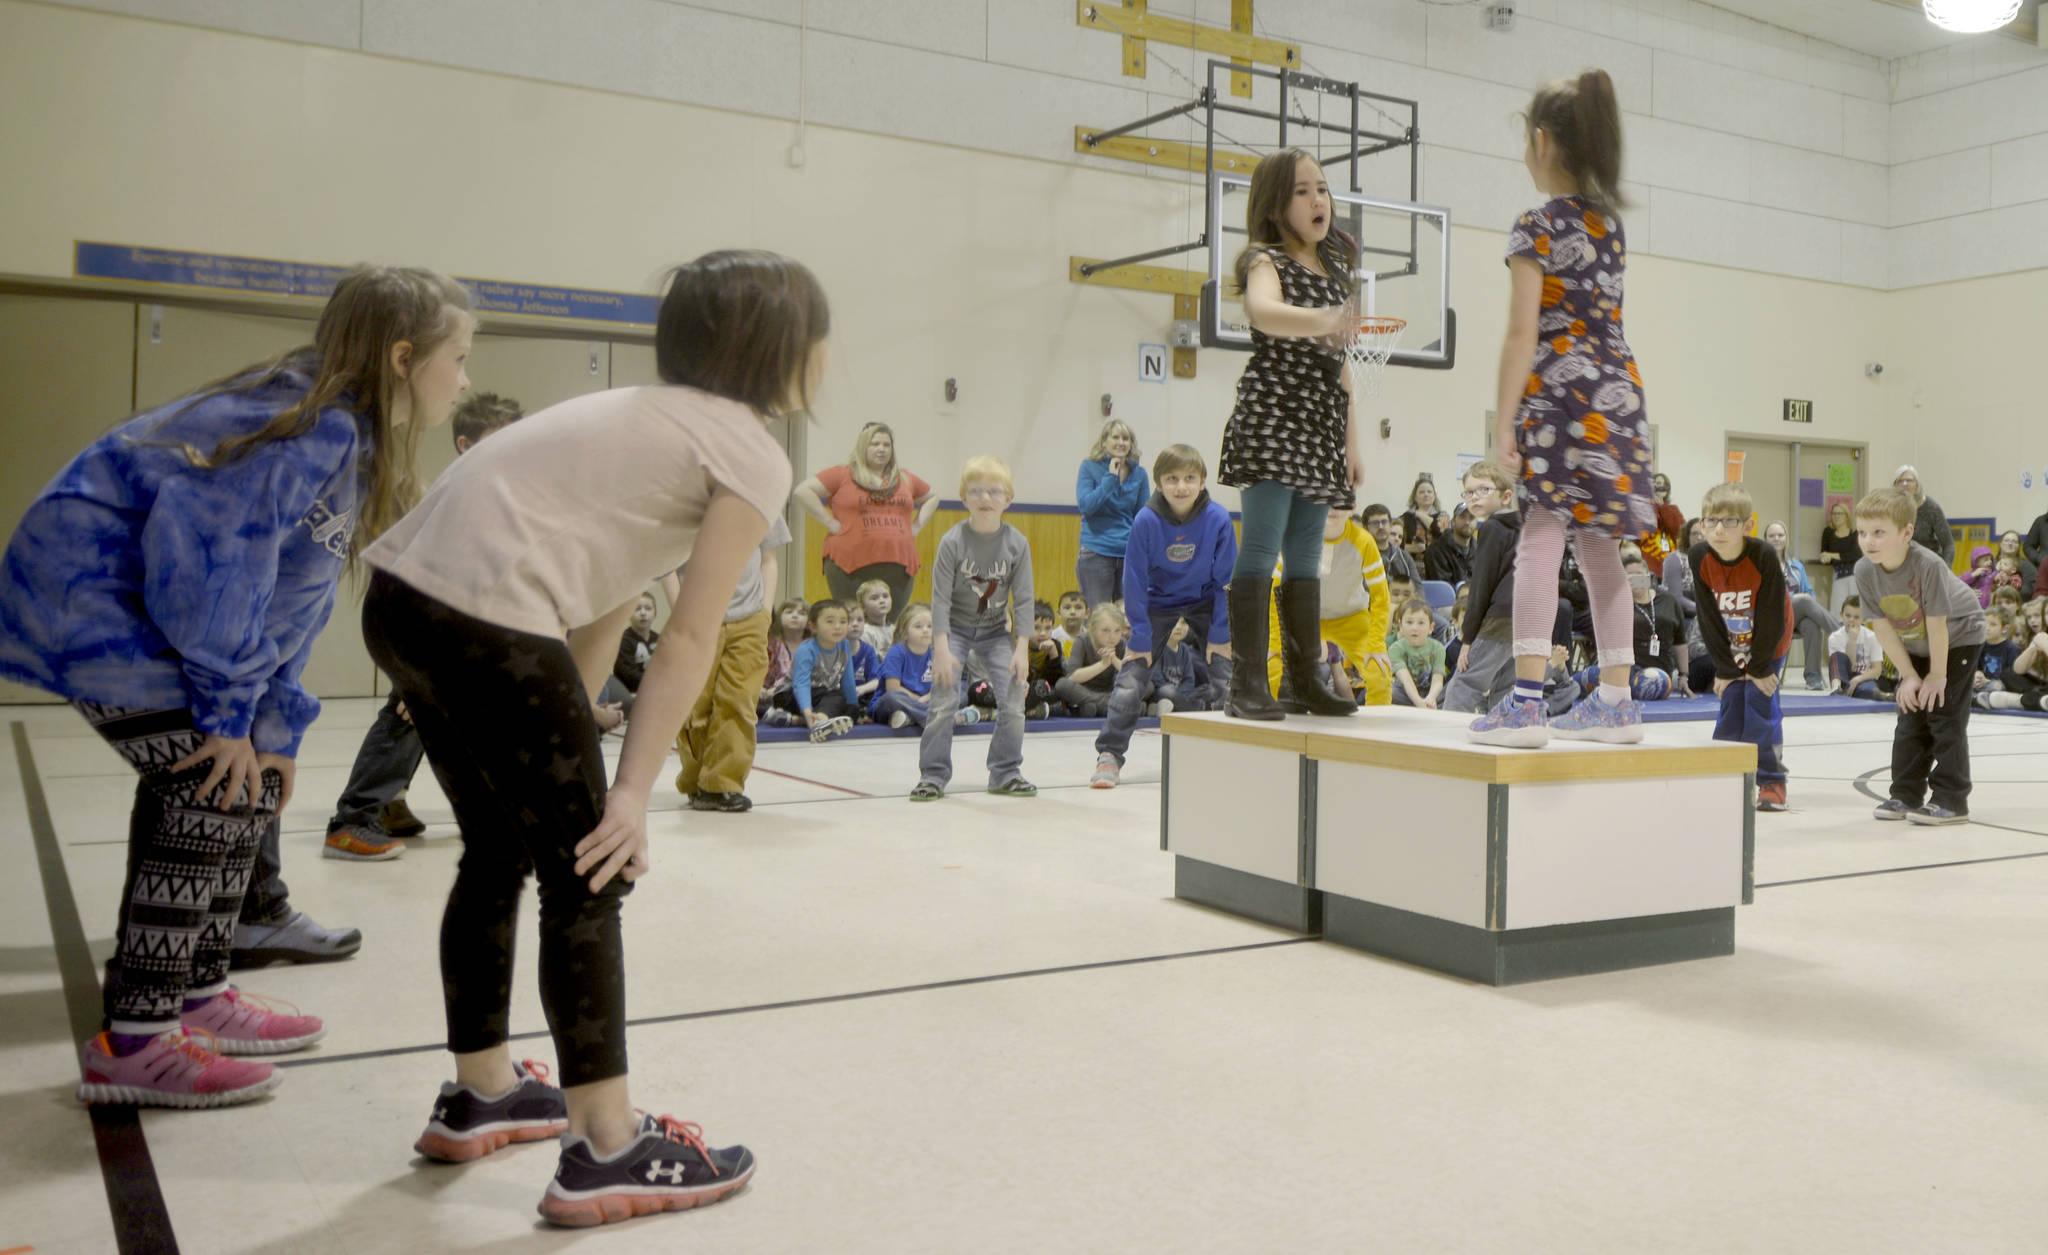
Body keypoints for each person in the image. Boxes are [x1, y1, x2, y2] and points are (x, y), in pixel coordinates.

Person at [361, 250, 816, 1225]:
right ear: (779, 349)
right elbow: (695, 630)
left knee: (495, 847)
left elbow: (603, 595)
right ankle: (607, 1143)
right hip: (480, 617)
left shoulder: (648, 418)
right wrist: (628, 795)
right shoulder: (749, 448)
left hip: (404, 604)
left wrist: (499, 701)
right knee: (589, 870)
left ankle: (481, 1088)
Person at [0, 266, 473, 1107]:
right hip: (90, 600)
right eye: (460, 357)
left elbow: (293, 594)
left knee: (238, 784)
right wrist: (225, 713)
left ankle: (199, 992)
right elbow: (214, 567)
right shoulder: (310, 424)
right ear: (404, 357)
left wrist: (273, 726)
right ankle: (136, 1041)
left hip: (140, 608)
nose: (465, 379)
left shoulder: (348, 437)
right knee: (208, 787)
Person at [1467, 70, 1654, 750]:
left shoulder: (1535, 226)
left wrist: (1502, 423)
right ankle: (1616, 699)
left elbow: (1523, 333)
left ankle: (1524, 703)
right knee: (1601, 546)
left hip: (1560, 390)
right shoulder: (1611, 226)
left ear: (1542, 143)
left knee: (1541, 537)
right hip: (1617, 391)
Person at [317, 391, 526, 869]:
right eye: (500, 441)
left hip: (447, 624)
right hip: (414, 619)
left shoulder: (498, 495)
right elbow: (423, 583)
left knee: (443, 711)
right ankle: (353, 818)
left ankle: (389, 804)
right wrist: (423, 666)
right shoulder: (460, 494)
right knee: (410, 709)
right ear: (464, 444)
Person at [1216, 147, 1366, 720]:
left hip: (1321, 425)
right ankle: (1245, 685)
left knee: (1307, 555)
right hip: (1272, 418)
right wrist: (1327, 320)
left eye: (1322, 189)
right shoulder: (1264, 259)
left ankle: (1303, 680)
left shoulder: (1338, 270)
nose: (1317, 200)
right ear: (1277, 206)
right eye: (1303, 191)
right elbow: (1263, 311)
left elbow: (1343, 365)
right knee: (1260, 548)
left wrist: (1352, 443)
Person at [1090, 444, 1236, 787]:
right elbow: (1135, 580)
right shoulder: (1146, 520)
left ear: (1202, 482)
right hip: (1158, 602)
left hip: (1203, 599)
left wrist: (1220, 633)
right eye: (1172, 479)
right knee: (1131, 680)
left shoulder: (1217, 519)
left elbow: (1227, 581)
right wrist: (1140, 636)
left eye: (1189, 478)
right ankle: (1109, 755)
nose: (1181, 486)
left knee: (1225, 673)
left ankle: (1236, 751)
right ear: (1158, 482)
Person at [1854, 486, 1986, 825]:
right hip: (1915, 644)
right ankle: (1905, 793)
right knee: (1910, 715)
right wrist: (1910, 675)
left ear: (1907, 532)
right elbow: (1882, 627)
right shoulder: (1864, 571)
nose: (1869, 541)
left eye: (1879, 532)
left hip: (1958, 637)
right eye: (1863, 532)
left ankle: (1951, 798)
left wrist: (1937, 675)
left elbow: (1938, 625)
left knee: (1943, 713)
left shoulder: (1928, 565)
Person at [911, 455, 1035, 800]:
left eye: (994, 491)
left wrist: (1021, 649)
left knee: (1013, 702)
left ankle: (1005, 772)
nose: (985, 499)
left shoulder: (1017, 544)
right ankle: (933, 775)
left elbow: (1024, 600)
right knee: (942, 703)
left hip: (997, 632)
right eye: (977, 491)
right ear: (963, 497)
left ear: (1008, 499)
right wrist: (941, 648)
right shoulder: (952, 542)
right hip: (955, 630)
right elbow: (940, 600)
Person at [665, 510, 791, 813]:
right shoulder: (684, 495)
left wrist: (764, 612)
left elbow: (768, 558)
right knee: (697, 705)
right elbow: (666, 566)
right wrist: (681, 611)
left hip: (750, 618)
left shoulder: (761, 493)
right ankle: (696, 778)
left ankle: (723, 784)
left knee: (739, 701)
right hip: (697, 614)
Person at [1691, 483, 1794, 812]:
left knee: (1759, 704)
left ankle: (1771, 780)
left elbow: (1772, 615)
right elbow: (1708, 618)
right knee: (1732, 703)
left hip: (1769, 640)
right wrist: (1727, 669)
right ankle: (1726, 777)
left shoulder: (1763, 555)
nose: (1719, 529)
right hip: (1732, 642)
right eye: (1711, 521)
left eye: (1729, 521)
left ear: (1748, 526)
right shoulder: (1700, 557)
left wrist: (1760, 668)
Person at [792, 421, 935, 614]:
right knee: (852, 621)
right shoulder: (842, 474)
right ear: (863, 446)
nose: (881, 449)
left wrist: (916, 527)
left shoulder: (904, 478)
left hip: (899, 563)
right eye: (874, 444)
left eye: (886, 445)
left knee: (891, 623)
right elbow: (802, 491)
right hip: (850, 563)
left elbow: (932, 497)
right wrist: (829, 522)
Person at [1275, 507, 1394, 708]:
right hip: (1305, 621)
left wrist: (1376, 645)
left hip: (1352, 618)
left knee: (1379, 674)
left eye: (1340, 501)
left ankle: (1374, 736)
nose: (1333, 507)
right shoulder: (1294, 538)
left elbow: (1381, 597)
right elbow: (1271, 589)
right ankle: (1268, 734)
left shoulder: (1364, 541)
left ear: (1352, 506)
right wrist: (1273, 641)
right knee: (1271, 667)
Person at [1560, 550, 1687, 701]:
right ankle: (1563, 689)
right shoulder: (1614, 601)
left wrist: (1684, 675)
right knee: (1592, 677)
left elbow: (1680, 643)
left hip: (1656, 671)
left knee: (1656, 682)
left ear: (1649, 575)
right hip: (1620, 667)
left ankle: (1614, 692)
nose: (1635, 579)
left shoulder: (1668, 600)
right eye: (1629, 576)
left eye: (1639, 574)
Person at [1444, 461, 1519, 714]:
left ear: (1506, 496)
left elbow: (1481, 586)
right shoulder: (1522, 528)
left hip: (1499, 619)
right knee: (1505, 686)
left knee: (1464, 683)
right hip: (1524, 617)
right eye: (1469, 492)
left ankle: (1447, 744)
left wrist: (1468, 638)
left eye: (1484, 490)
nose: (1474, 497)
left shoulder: (1491, 527)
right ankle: (1500, 733)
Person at [1075, 419, 1149, 608]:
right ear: (1104, 442)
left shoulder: (1139, 474)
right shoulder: (1089, 467)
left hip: (1128, 553)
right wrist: (1110, 478)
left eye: (1126, 438)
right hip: (1096, 552)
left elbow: (1142, 516)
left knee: (1129, 617)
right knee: (1098, 618)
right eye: (1115, 437)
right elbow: (1086, 506)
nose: (1121, 442)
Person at [1763, 520, 1840, 691]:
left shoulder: (1796, 566)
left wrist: (1803, 600)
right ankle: (1842, 632)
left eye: (1780, 535)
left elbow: (1809, 592)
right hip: (1772, 617)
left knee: (1812, 625)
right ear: (1765, 539)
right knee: (1804, 600)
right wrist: (1797, 598)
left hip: (1794, 617)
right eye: (1772, 536)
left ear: (1786, 538)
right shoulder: (1761, 564)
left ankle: (1813, 677)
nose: (1776, 539)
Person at [871, 602, 961, 730]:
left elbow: (943, 685)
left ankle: (911, 718)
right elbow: (893, 688)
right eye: (918, 626)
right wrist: (919, 700)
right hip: (894, 704)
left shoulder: (936, 652)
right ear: (905, 632)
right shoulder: (896, 652)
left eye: (930, 626)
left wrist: (928, 697)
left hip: (925, 701)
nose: (925, 630)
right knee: (892, 698)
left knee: (961, 691)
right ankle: (935, 718)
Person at [782, 598, 859, 741]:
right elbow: (801, 684)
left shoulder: (844, 645)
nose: (838, 626)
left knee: (851, 708)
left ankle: (797, 720)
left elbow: (848, 680)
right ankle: (819, 722)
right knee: (835, 696)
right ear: (813, 627)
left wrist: (853, 707)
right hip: (791, 695)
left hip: (823, 696)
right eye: (830, 621)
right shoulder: (807, 649)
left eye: (843, 622)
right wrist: (807, 711)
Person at [1058, 603, 1126, 720]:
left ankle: (1095, 707)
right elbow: (1072, 677)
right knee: (1062, 684)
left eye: (1117, 631)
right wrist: (1103, 664)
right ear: (1093, 629)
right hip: (1084, 691)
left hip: (1111, 692)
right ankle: (1113, 707)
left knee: (1145, 685)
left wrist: (1114, 660)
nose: (1112, 636)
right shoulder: (1083, 641)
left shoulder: (1121, 644)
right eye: (1106, 630)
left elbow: (1130, 675)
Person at [1890, 465, 1953, 567]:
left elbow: (1949, 545)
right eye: (1900, 481)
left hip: (1929, 564)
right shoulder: (1890, 508)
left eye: (1909, 480)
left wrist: (1945, 570)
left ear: (1917, 485)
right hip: (1901, 566)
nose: (1905, 484)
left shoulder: (1932, 508)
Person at [1389, 600, 1448, 708]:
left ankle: (1431, 704)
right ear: (1400, 625)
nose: (1414, 628)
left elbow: (1437, 679)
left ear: (1431, 627)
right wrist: (1419, 703)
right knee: (1390, 691)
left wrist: (1431, 697)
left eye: (1421, 623)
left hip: (1429, 691)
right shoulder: (1395, 648)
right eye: (1409, 622)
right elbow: (1405, 680)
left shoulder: (1438, 648)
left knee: (1451, 690)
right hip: (1405, 692)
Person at [759, 597, 808, 724]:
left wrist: (777, 688)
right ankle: (784, 717)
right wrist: (761, 688)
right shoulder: (772, 644)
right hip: (770, 694)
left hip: (796, 691)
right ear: (779, 617)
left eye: (801, 613)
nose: (795, 616)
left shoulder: (812, 645)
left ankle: (796, 716)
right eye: (789, 612)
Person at [1828, 596, 1884, 699]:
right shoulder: (1835, 637)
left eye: (1856, 617)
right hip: (1843, 678)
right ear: (1841, 615)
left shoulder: (1872, 637)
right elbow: (1850, 667)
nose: (1851, 620)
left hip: (1863, 679)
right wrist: (1852, 642)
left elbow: (1877, 669)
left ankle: (1880, 696)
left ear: (1863, 619)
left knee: (1869, 692)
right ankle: (1836, 689)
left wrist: (1858, 679)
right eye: (1848, 616)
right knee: (1837, 656)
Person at [1361, 503, 1420, 586]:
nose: (1381, 526)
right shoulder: (1358, 556)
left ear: (1390, 524)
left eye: (1384, 522)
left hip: (1403, 598)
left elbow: (1417, 587)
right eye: (1375, 523)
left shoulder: (1404, 557)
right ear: (1366, 528)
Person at [1819, 500, 1862, 615]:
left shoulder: (1854, 534)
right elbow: (1824, 553)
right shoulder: (1828, 532)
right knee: (1837, 612)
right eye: (1834, 513)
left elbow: (1856, 555)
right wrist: (1825, 558)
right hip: (1838, 576)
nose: (1837, 516)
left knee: (1855, 610)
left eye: (1840, 513)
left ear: (1846, 516)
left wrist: (1832, 555)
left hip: (1854, 577)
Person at [1424, 504, 1477, 586]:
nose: (1467, 522)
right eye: (1462, 517)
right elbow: (1443, 589)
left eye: (1472, 517)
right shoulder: (1436, 551)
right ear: (1454, 520)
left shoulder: (1481, 551)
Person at [853, 578, 895, 655]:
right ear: (863, 606)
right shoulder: (864, 632)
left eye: (885, 596)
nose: (882, 601)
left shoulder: (894, 629)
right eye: (874, 598)